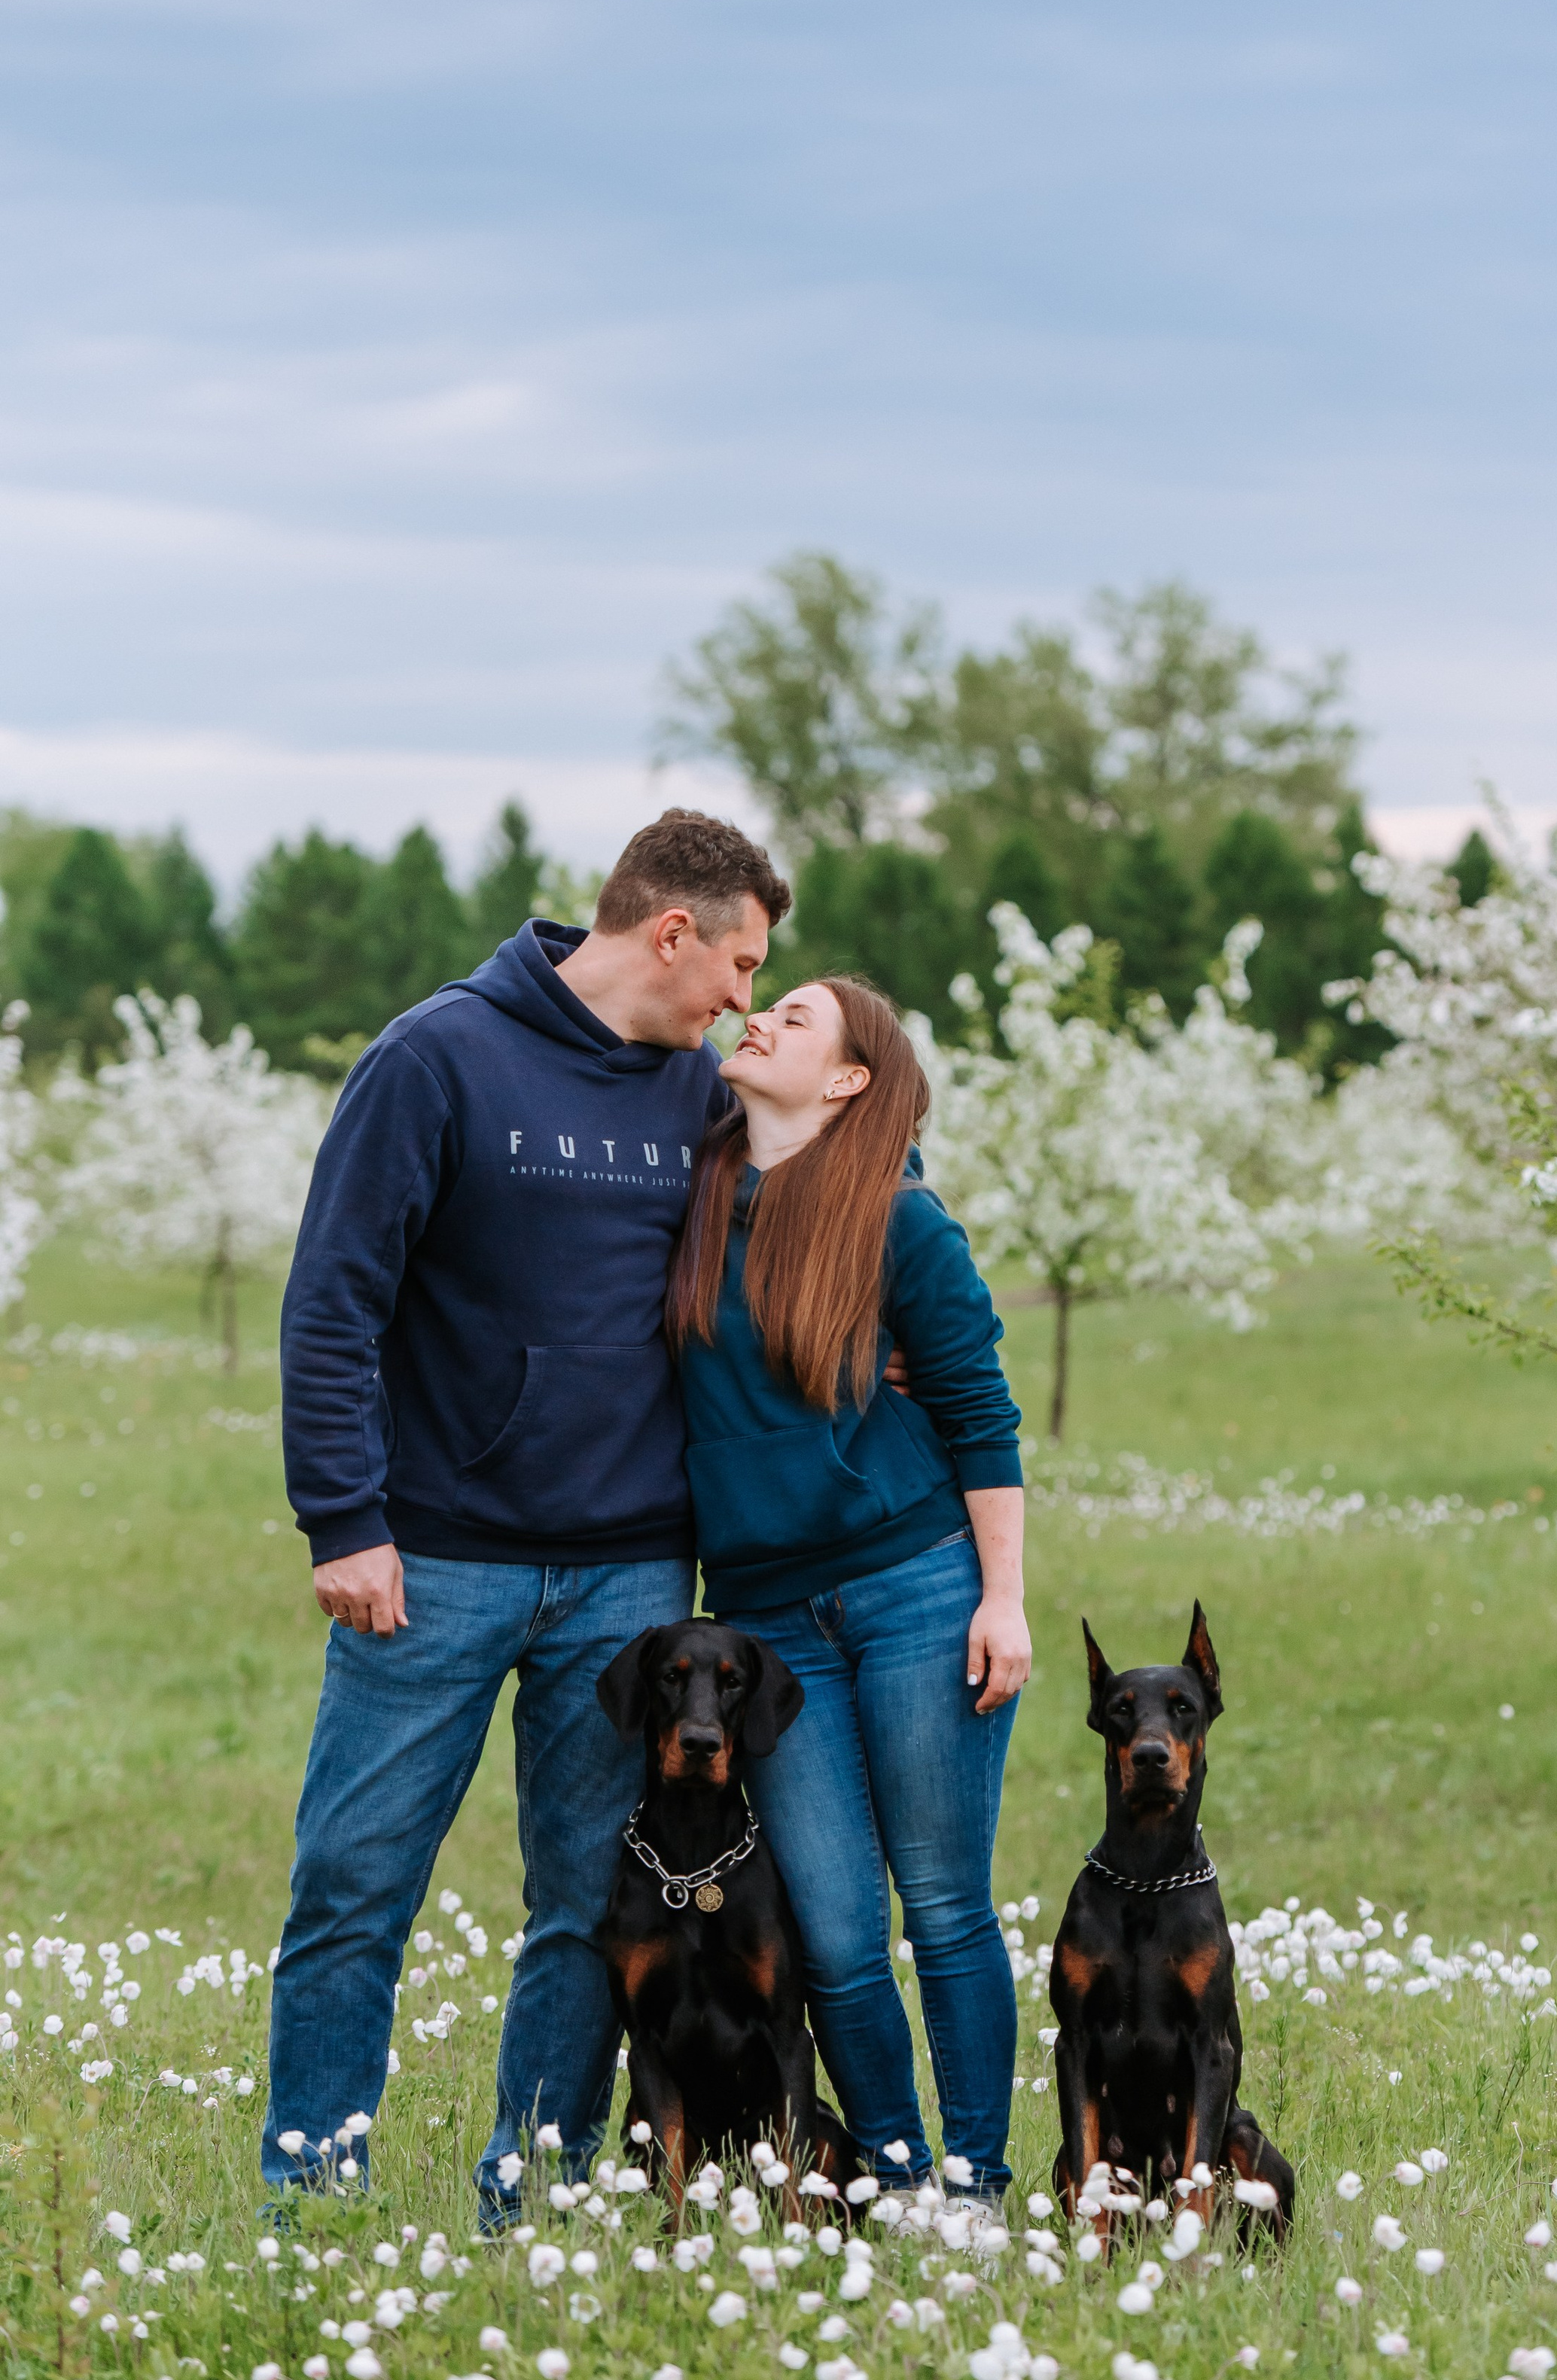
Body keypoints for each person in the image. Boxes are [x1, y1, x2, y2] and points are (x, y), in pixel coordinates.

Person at [263, 808, 791, 2217]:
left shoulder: (700, 1090)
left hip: (626, 1583)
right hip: (429, 1560)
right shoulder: (436, 1058)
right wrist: (343, 1522)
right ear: (669, 932)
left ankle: (530, 2211)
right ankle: (310, 2208)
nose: (746, 999)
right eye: (739, 963)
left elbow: (847, 1170)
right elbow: (332, 1306)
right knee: (353, 1892)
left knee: (580, 1914)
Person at [667, 974, 1030, 2201]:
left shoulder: (901, 1220)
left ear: (847, 1081)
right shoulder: (695, 1191)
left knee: (941, 1907)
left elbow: (980, 1413)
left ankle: (975, 2190)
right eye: (763, 1006)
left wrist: (1004, 1598)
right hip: (768, 1623)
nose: (756, 1017)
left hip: (916, 1587)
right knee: (832, 1932)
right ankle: (894, 2175)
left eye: (797, 1019)